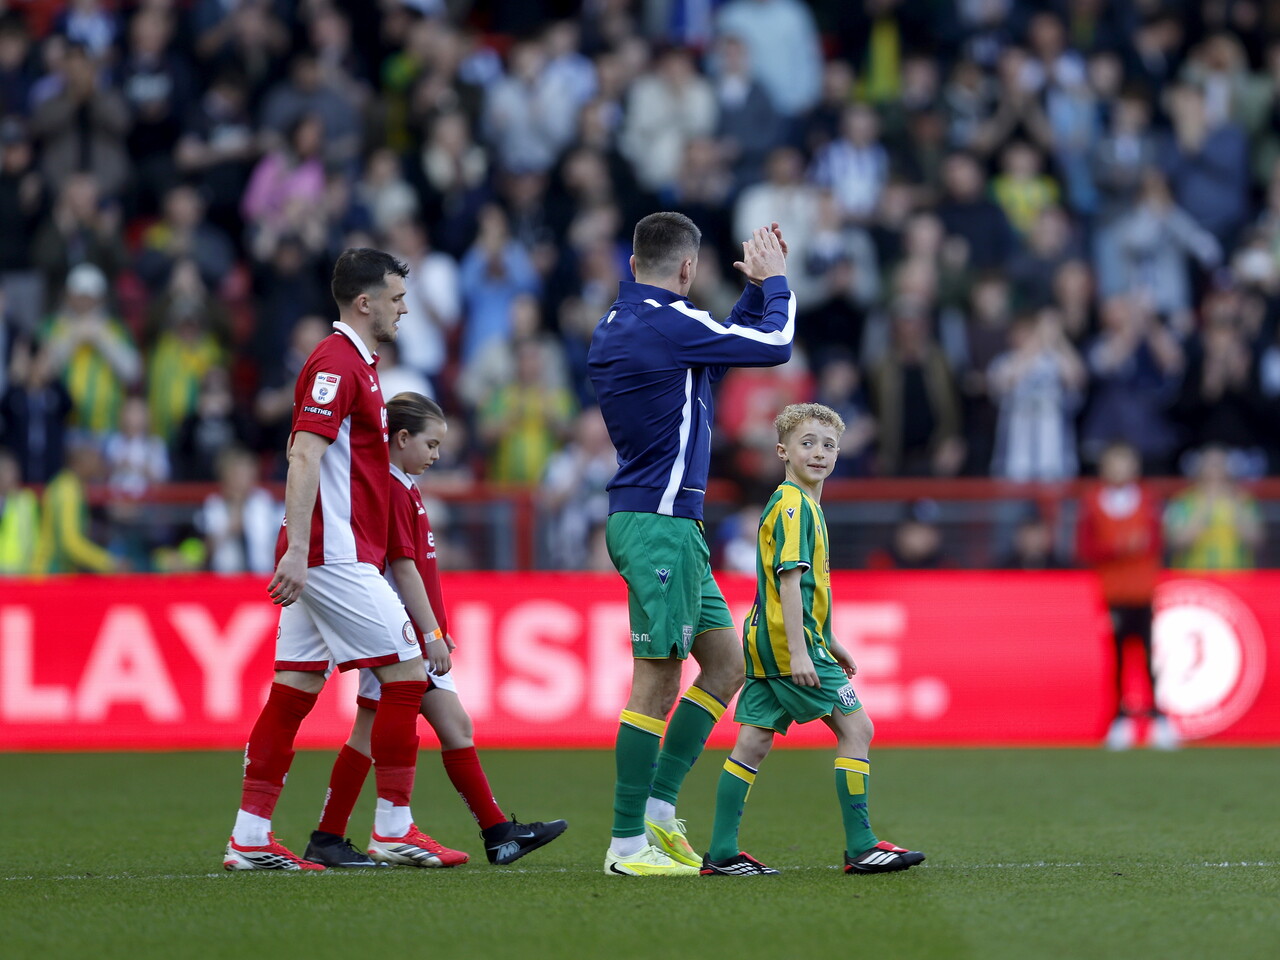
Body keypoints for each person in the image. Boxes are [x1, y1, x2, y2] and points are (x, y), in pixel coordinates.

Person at [587, 212, 795, 877]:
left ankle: (656, 812)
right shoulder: (670, 326)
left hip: (661, 522)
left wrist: (751, 295)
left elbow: (714, 346)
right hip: (660, 525)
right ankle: (625, 845)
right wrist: (778, 285)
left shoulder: (625, 324)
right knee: (657, 675)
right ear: (686, 269)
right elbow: (775, 345)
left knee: (726, 664)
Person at [222, 248, 435, 872]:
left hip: (327, 551)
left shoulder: (359, 366)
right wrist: (295, 551)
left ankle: (250, 837)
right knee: (408, 673)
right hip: (331, 553)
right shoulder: (335, 363)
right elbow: (303, 455)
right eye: (396, 298)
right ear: (364, 302)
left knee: (294, 687)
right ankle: (394, 828)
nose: (403, 308)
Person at [303, 393, 568, 869]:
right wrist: (430, 634)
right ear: (401, 439)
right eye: (431, 444)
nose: (437, 455)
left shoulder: (398, 484)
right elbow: (402, 568)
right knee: (422, 727)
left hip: (402, 628)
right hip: (397, 631)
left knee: (407, 728)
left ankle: (335, 835)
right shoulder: (388, 487)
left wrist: (434, 627)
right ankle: (406, 829)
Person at [702, 403, 924, 876]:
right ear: (783, 451)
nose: (819, 453)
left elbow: (805, 586)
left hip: (771, 638)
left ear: (839, 453)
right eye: (807, 443)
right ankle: (862, 846)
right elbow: (788, 580)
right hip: (788, 643)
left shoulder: (804, 503)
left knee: (754, 742)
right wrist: (804, 650)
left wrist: (830, 638)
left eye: (828, 445)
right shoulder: (792, 505)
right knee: (857, 729)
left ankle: (720, 852)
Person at [1076, 441, 1177, 751]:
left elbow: (1157, 541)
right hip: (1113, 593)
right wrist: (1120, 548)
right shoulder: (1093, 502)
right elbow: (1084, 548)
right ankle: (1119, 720)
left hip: (1143, 592)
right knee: (1118, 658)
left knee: (1148, 657)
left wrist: (1137, 547)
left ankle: (1159, 720)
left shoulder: (1148, 500)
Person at [1163, 446, 1263, 571]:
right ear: (1198, 468)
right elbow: (1177, 543)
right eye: (1210, 464)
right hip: (1193, 579)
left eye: (1221, 464)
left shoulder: (1244, 500)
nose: (1215, 469)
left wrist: (1235, 505)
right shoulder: (1182, 502)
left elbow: (1255, 540)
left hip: (1236, 578)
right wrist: (1205, 506)